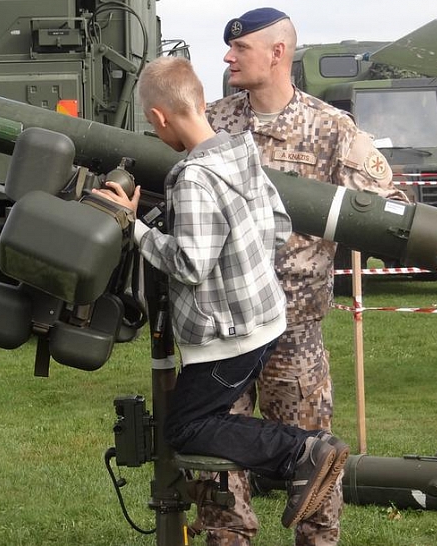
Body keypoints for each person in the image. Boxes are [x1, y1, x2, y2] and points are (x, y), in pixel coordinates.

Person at [202, 8, 437, 546]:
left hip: (292, 331)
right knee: (215, 461)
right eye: (228, 48)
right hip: (222, 326)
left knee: (313, 461)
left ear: (277, 54)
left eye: (240, 48)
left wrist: (423, 231)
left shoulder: (329, 128)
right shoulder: (213, 122)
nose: (228, 56)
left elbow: (381, 200)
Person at [94, 55, 351, 534]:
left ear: (158, 118)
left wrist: (135, 230)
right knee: (202, 420)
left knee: (186, 428)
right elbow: (277, 226)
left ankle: (304, 451)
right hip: (266, 320)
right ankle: (303, 451)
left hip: (226, 339)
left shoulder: (193, 178)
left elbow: (190, 263)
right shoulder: (240, 150)